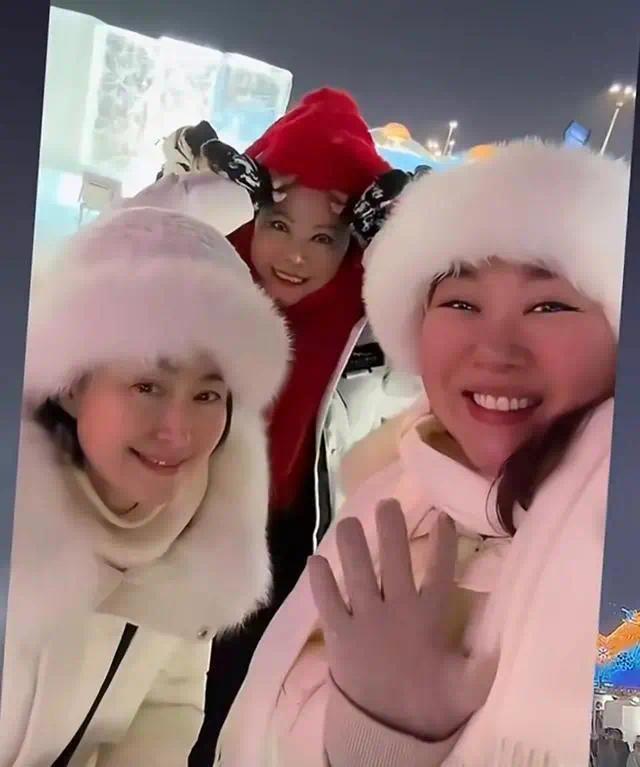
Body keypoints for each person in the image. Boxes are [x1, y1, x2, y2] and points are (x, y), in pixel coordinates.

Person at [214, 139, 629, 767]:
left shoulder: (618, 578)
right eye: (460, 302)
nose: (495, 351)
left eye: (549, 305)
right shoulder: (389, 502)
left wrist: (383, 744)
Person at [123, 87, 414, 761]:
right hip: (170, 530)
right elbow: (109, 261)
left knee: (227, 723)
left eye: (324, 237)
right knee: (140, 708)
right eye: (278, 224)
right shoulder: (199, 280)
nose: (296, 256)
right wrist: (201, 193)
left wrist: (410, 243)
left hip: (283, 554)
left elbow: (446, 356)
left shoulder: (372, 325)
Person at [0, 204, 289, 766]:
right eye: (148, 386)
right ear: (70, 385)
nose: (177, 432)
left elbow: (171, 704)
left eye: (207, 395)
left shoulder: (205, 533)